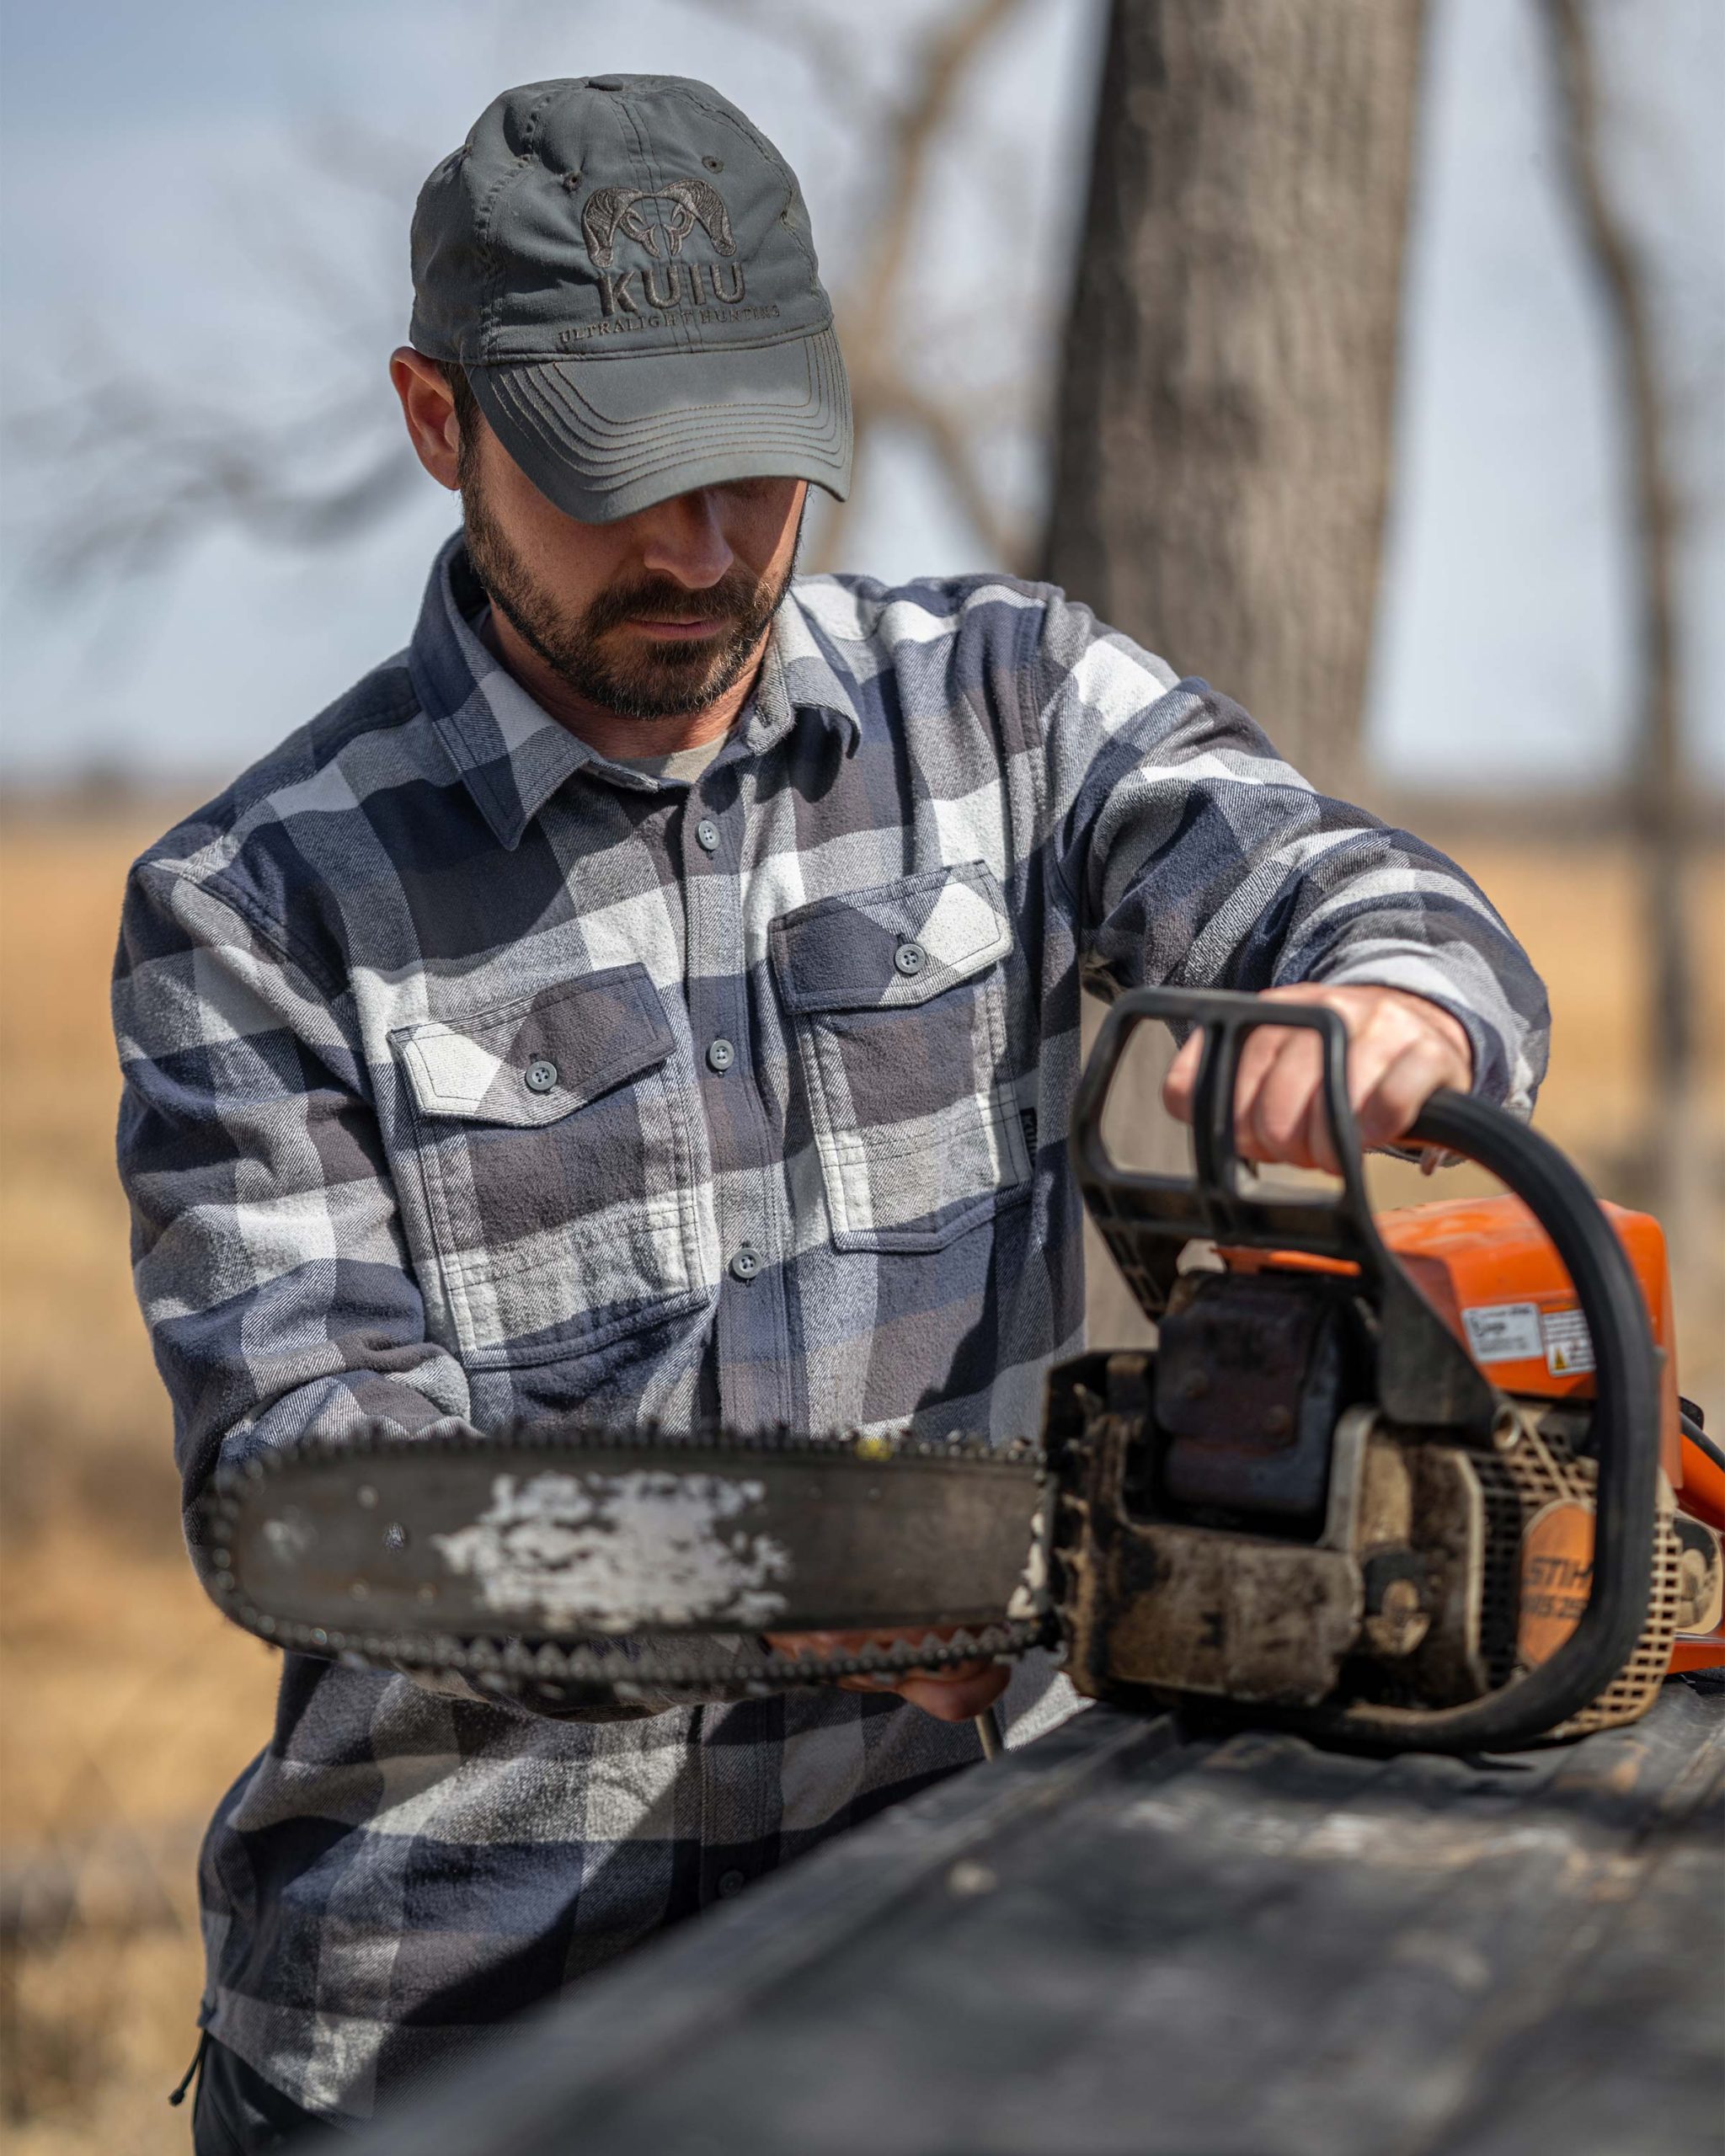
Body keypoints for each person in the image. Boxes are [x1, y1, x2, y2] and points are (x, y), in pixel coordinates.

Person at [112, 74, 1547, 2150]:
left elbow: (1348, 877)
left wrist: (1381, 996)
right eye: (630, 479)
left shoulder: (1006, 703)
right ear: (442, 424)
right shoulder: (257, 903)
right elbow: (331, 1488)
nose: (707, 549)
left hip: (943, 1947)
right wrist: (828, 1584)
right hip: (461, 2015)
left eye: (760, 469)